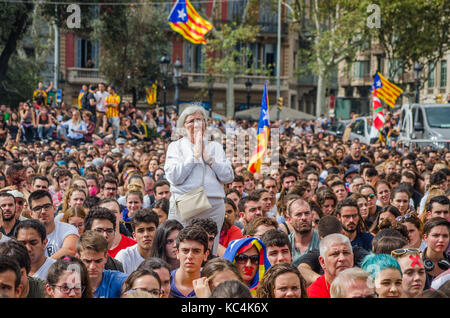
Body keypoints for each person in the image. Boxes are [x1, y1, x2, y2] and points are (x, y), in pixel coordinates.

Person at [164, 105, 234, 255]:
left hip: (213, 206)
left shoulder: (215, 146)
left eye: (199, 120)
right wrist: (194, 156)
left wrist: (209, 159)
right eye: (191, 121)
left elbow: (228, 176)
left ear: (205, 124)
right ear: (183, 126)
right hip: (184, 202)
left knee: (209, 250)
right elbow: (174, 177)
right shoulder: (175, 147)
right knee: (179, 247)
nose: (196, 124)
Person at [28, 190, 79, 259]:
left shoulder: (68, 229)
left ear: (54, 208)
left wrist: (42, 268)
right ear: (31, 213)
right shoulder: (26, 235)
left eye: (47, 206)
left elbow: (69, 251)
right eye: (37, 208)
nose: (43, 211)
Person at [76, 230, 128, 298]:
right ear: (78, 258)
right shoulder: (69, 281)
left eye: (98, 261)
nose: (92, 267)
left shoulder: (118, 279)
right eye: (87, 261)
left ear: (106, 258)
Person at [306, 233, 354, 298]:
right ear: (322, 262)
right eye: (335, 254)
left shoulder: (364, 286)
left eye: (346, 253)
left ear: (353, 257)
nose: (342, 258)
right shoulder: (313, 293)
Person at [170, 225, 210, 298]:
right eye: (185, 250)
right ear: (177, 253)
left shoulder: (211, 285)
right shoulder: (165, 282)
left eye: (196, 251)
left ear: (205, 255)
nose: (190, 256)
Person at [115, 209, 159, 274]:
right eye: (141, 231)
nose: (146, 234)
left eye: (150, 229)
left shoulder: (165, 253)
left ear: (158, 231)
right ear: (134, 236)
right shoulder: (124, 257)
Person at [83, 207, 124, 272]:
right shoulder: (75, 264)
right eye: (99, 230)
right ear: (87, 232)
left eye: (109, 231)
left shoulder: (117, 266)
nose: (105, 235)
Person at [285, 198, 320, 267]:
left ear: (312, 216)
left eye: (307, 213)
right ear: (289, 219)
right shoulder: (285, 243)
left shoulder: (322, 240)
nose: (304, 218)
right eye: (298, 214)